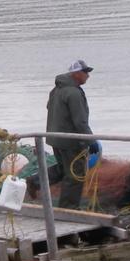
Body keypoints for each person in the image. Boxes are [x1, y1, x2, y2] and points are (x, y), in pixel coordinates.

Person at [27, 59, 100, 210]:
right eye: (85, 72)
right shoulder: (73, 93)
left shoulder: (56, 89)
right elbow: (80, 121)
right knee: (75, 174)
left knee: (63, 168)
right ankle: (69, 209)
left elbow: (50, 108)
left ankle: (35, 181)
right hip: (70, 141)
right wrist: (90, 140)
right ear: (76, 73)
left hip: (55, 138)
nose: (88, 76)